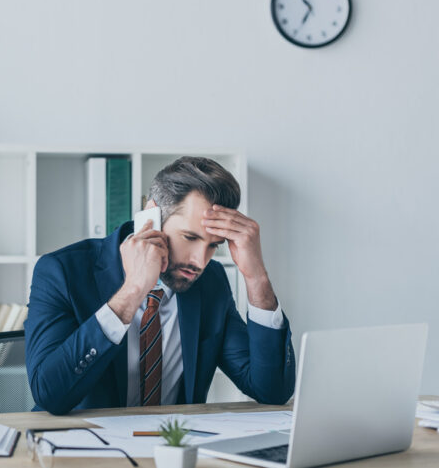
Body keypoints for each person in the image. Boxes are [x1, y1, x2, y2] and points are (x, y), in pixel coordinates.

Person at [24, 156, 295, 415]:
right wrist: (132, 292)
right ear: (150, 217)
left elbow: (271, 390)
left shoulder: (210, 281)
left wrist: (256, 276)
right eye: (190, 237)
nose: (200, 261)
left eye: (214, 245)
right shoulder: (61, 271)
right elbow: (49, 394)